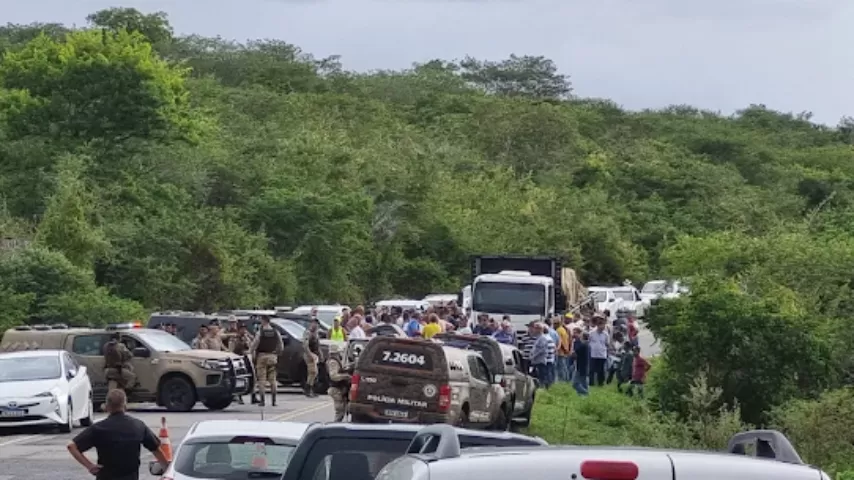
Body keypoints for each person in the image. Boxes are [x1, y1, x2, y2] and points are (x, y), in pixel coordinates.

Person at [67, 389, 169, 480]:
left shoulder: (98, 428)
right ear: (125, 405)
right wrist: (167, 471)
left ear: (107, 407)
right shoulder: (138, 426)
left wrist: (89, 466)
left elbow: (72, 446)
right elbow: (156, 449)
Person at [249, 315, 284, 406]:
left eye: (261, 321)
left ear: (264, 321)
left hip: (262, 356)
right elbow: (281, 345)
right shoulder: (276, 332)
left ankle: (262, 400)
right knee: (273, 379)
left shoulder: (260, 332)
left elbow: (255, 344)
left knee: (262, 380)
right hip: (272, 356)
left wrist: (250, 352)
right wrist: (277, 353)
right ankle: (274, 401)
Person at [325, 343, 352, 422]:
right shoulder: (333, 362)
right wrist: (345, 376)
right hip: (335, 389)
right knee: (339, 411)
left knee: (342, 409)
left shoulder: (334, 361)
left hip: (337, 389)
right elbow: (334, 376)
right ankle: (334, 426)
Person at [229, 323, 255, 404]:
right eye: (242, 329)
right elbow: (232, 349)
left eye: (244, 329)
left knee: (252, 378)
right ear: (238, 329)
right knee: (240, 378)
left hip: (246, 358)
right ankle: (239, 397)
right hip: (238, 360)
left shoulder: (246, 337)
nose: (243, 330)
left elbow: (251, 345)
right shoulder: (234, 338)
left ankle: (253, 396)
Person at [588, 316, 611, 386]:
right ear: (598, 325)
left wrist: (607, 353)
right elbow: (588, 341)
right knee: (591, 369)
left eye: (604, 325)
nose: (603, 327)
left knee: (601, 370)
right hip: (593, 354)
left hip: (602, 354)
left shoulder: (606, 334)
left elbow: (607, 344)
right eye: (601, 325)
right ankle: (591, 383)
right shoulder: (591, 333)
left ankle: (600, 383)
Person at [302, 318, 322, 397]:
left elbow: (317, 345)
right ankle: (308, 389)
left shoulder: (316, 333)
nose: (316, 326)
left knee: (314, 373)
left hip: (315, 354)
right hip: (309, 355)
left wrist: (320, 354)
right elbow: (305, 346)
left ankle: (311, 389)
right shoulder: (308, 333)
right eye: (315, 324)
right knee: (312, 372)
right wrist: (310, 355)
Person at [571, 330, 590, 396]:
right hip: (585, 367)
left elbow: (574, 354)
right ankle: (583, 396)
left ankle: (585, 393)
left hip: (580, 367)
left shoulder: (582, 345)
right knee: (583, 383)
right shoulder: (588, 345)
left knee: (575, 384)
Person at [555, 317, 571, 382]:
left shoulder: (558, 330)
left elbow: (559, 341)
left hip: (560, 351)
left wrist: (564, 349)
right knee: (564, 366)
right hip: (565, 350)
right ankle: (567, 379)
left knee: (561, 367)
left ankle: (563, 380)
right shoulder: (563, 329)